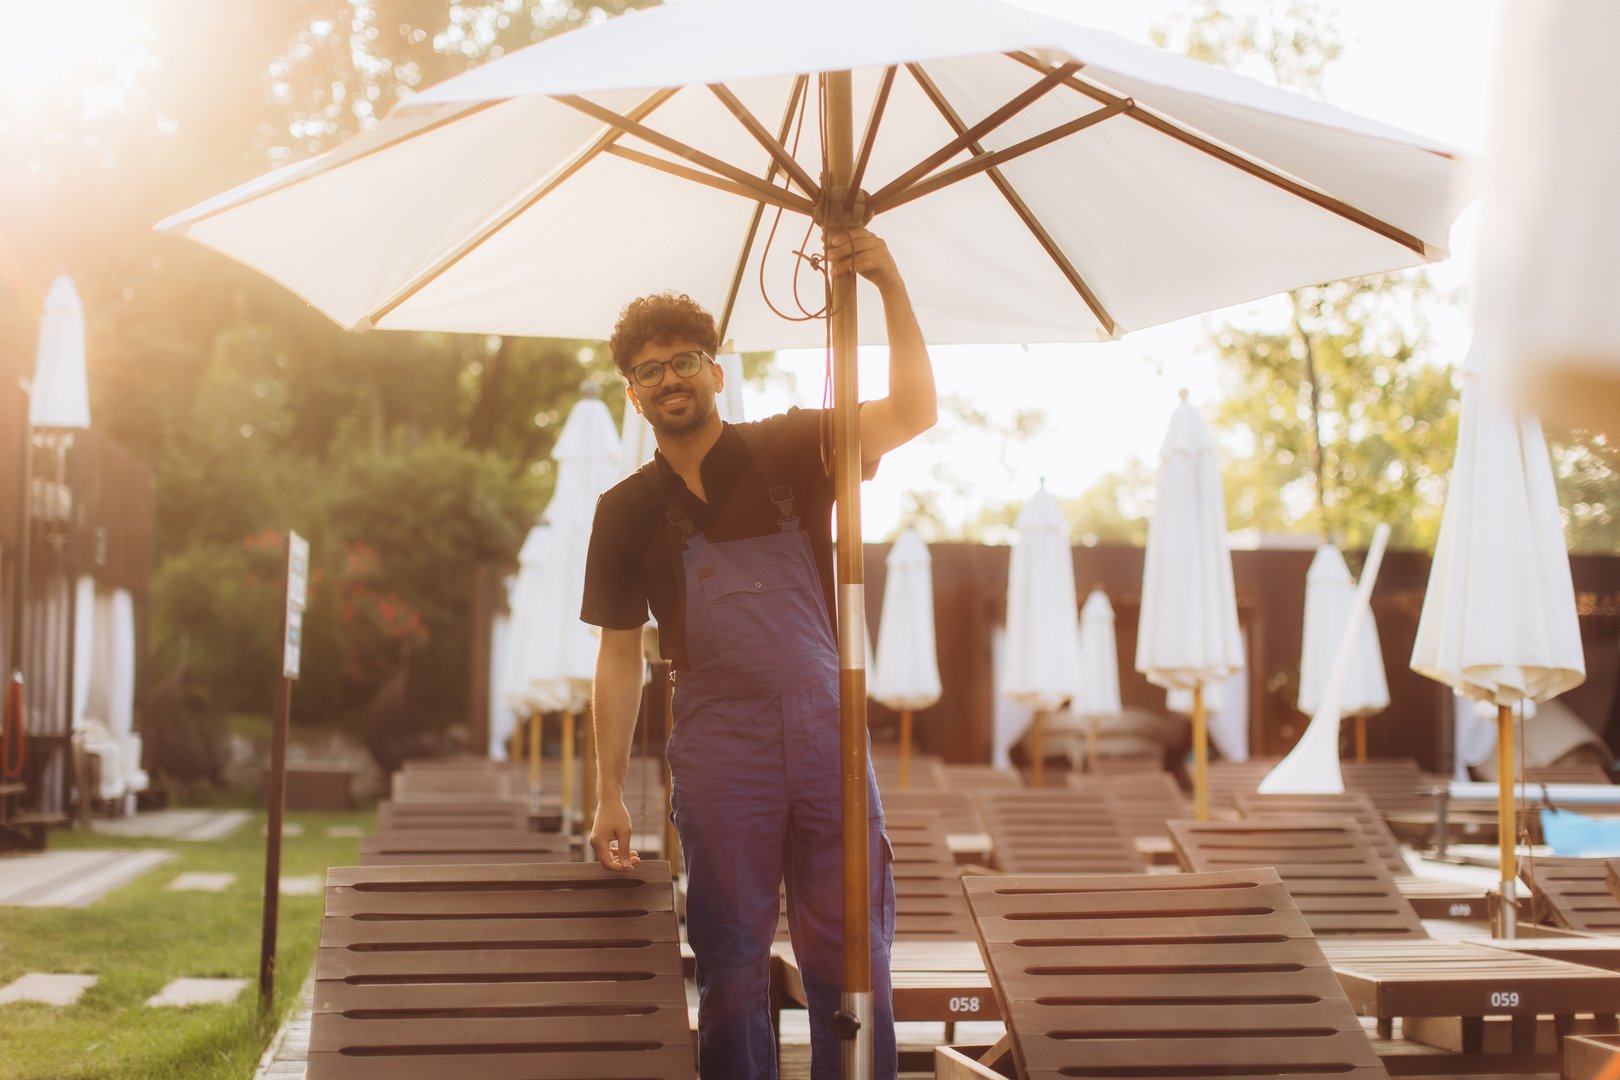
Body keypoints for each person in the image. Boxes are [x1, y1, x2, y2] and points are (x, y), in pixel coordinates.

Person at [582, 227, 936, 1080]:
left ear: (717, 369)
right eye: (649, 370)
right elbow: (619, 656)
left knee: (852, 957)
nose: (670, 377)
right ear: (633, 396)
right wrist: (605, 793)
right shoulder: (624, 511)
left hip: (828, 743)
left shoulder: (794, 446)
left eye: (685, 359)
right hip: (719, 753)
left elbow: (915, 411)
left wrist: (888, 283)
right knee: (733, 963)